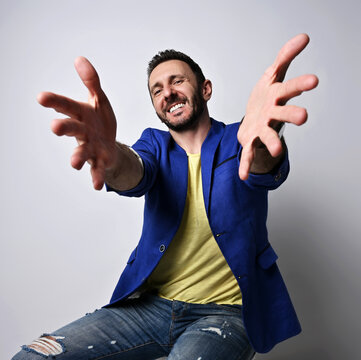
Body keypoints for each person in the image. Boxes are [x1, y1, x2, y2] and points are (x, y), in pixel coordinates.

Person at [12, 33, 318, 360]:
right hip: (151, 308)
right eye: (157, 89)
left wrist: (258, 144)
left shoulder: (238, 139)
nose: (167, 92)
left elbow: (260, 166)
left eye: (177, 81)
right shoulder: (154, 145)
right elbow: (136, 170)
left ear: (205, 89)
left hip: (225, 313)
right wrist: (112, 157)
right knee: (32, 356)